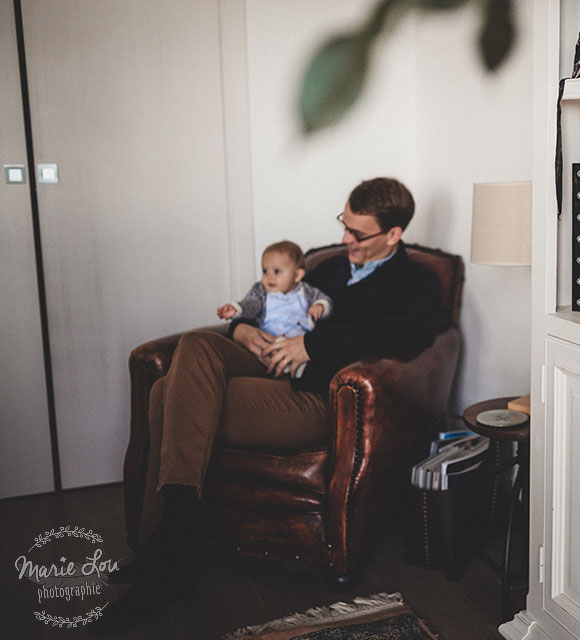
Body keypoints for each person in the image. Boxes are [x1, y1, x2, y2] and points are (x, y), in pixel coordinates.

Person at [97, 177, 443, 631]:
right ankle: (170, 549)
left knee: (168, 395)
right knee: (198, 345)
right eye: (344, 224)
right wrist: (241, 329)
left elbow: (413, 334)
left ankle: (164, 552)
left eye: (357, 233)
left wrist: (313, 347)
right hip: (269, 364)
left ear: (393, 234)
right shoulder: (329, 268)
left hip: (315, 397)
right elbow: (267, 304)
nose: (344, 239)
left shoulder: (416, 280)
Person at [217, 240, 332, 377]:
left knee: (304, 356)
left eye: (276, 271)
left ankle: (299, 370)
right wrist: (238, 308)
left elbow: (325, 301)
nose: (269, 277)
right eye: (265, 271)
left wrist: (320, 306)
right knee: (270, 348)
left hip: (298, 339)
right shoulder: (261, 291)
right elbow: (252, 304)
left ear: (297, 275)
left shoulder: (306, 291)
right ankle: (282, 368)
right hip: (270, 338)